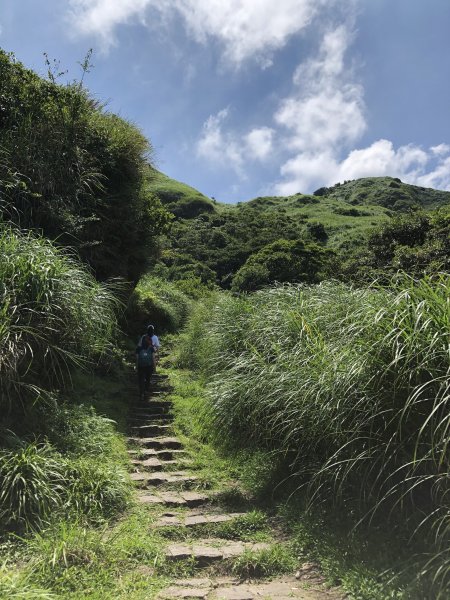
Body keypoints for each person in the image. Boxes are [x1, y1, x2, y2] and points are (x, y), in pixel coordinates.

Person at [135, 329, 155, 400]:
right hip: (149, 366)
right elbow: (153, 358)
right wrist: (154, 366)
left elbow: (137, 359)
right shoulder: (151, 348)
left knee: (141, 380)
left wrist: (137, 366)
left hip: (141, 366)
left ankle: (141, 393)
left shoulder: (138, 349)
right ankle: (146, 390)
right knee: (148, 379)